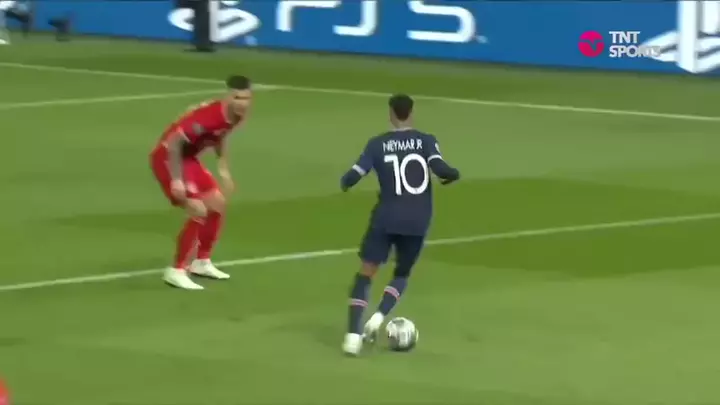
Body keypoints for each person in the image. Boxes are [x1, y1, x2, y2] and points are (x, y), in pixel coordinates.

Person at [339, 94, 461, 355]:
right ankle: (378, 317)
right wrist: (452, 175)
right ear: (411, 113)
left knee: (366, 273)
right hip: (418, 219)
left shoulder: (377, 144)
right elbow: (439, 167)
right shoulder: (426, 140)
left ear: (391, 114)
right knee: (402, 273)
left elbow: (355, 174)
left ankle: (352, 336)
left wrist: (345, 182)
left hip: (386, 217)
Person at [150, 75, 252, 290]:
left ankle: (201, 262)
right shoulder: (209, 117)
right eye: (237, 97)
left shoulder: (237, 116)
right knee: (198, 209)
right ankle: (176, 270)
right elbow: (174, 142)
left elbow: (221, 136)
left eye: (246, 98)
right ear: (228, 96)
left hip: (188, 159)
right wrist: (177, 180)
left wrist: (223, 168)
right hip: (168, 157)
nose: (242, 103)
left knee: (217, 204)